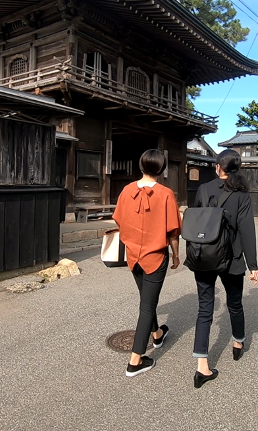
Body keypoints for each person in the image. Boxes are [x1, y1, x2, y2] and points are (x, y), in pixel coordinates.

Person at [190, 149, 258, 388]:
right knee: (235, 303)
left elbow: (196, 222)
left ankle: (202, 366)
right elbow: (247, 229)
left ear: (218, 166)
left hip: (205, 256)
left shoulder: (203, 189)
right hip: (232, 257)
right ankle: (238, 342)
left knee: (205, 309)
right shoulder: (241, 193)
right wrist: (253, 265)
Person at [112, 149, 182, 377]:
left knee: (146, 300)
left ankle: (157, 335)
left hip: (133, 255)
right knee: (147, 306)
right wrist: (176, 254)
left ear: (141, 166)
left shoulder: (127, 190)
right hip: (155, 256)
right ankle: (135, 360)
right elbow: (173, 231)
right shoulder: (166, 194)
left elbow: (119, 219)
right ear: (161, 169)